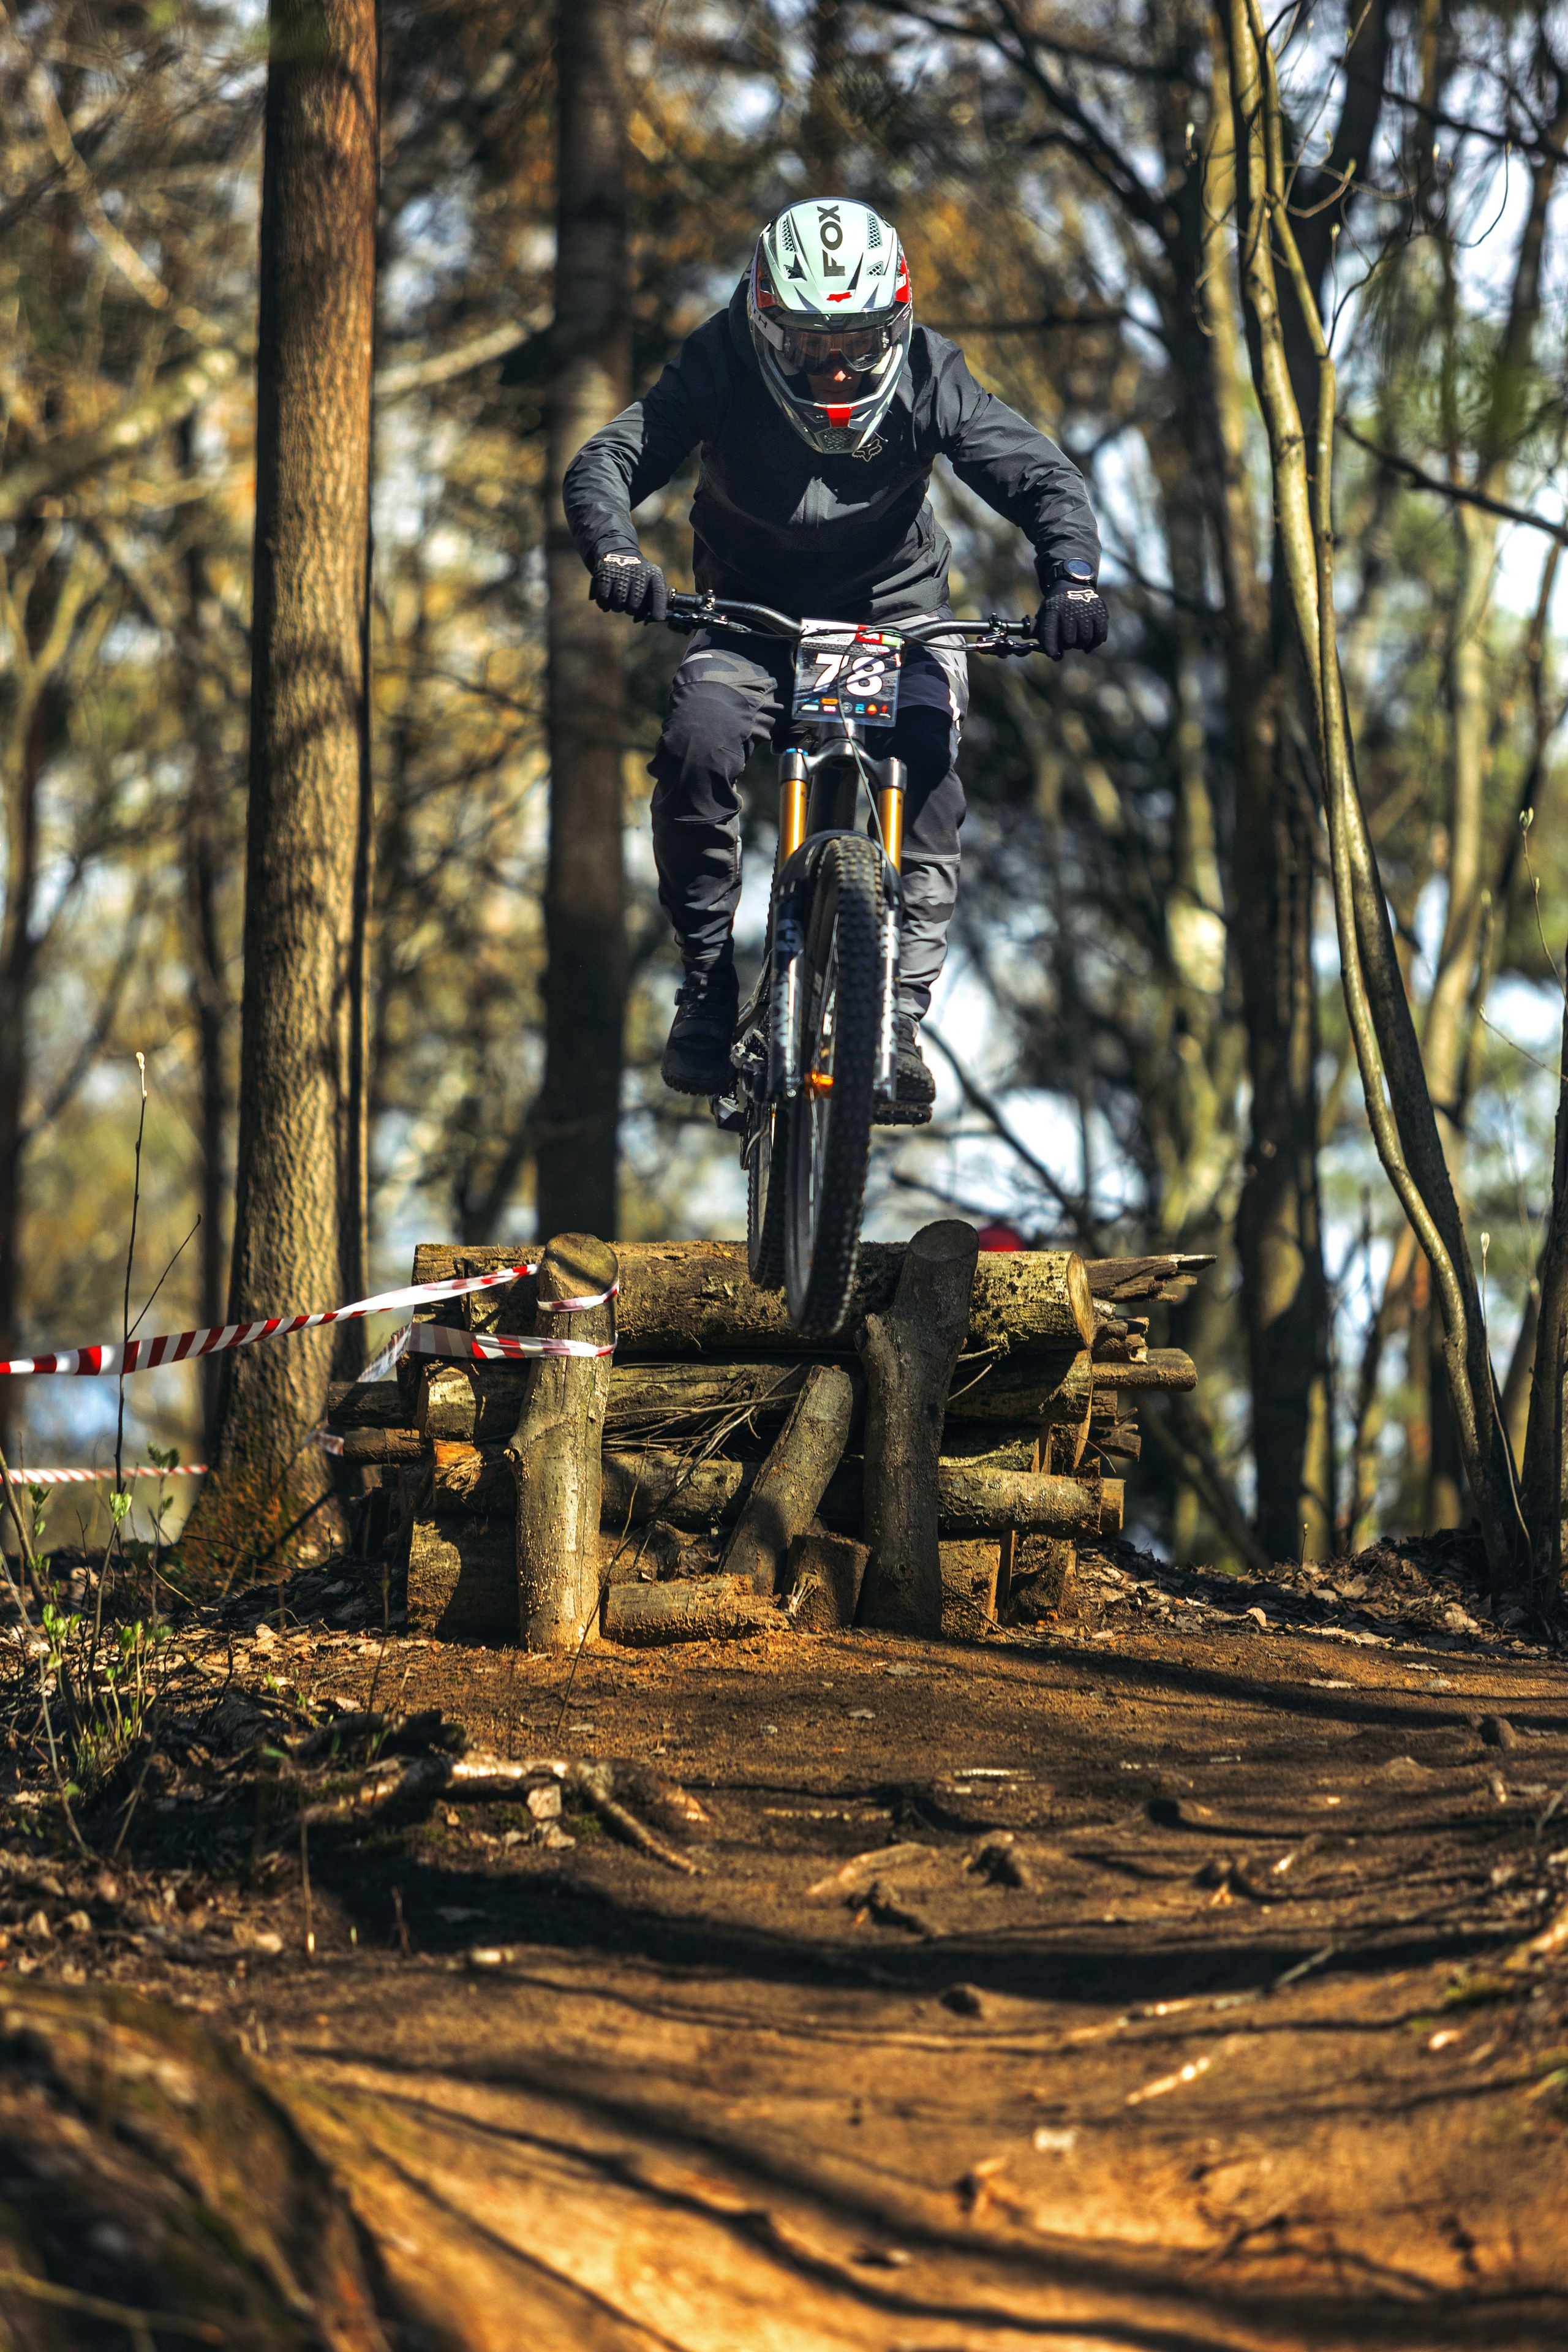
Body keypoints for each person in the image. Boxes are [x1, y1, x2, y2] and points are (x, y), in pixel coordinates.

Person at [564, 198, 1106, 1118]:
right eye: (811, 344)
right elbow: (609, 460)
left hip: (897, 621)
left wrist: (1075, 581)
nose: (838, 364)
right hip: (750, 620)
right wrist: (617, 554)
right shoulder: (720, 360)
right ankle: (705, 989)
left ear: (894, 322)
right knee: (699, 741)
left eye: (857, 339)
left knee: (928, 766)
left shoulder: (933, 373)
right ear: (764, 323)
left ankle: (895, 1016)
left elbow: (1040, 476)